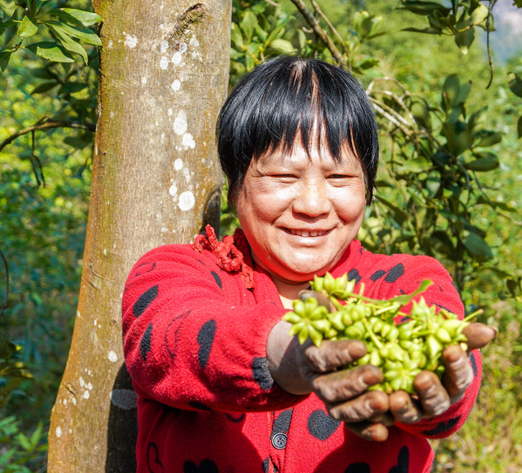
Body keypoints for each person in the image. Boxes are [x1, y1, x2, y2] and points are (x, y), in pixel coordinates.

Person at [122, 56, 496, 473]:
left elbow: (447, 395)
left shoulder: (408, 284)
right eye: (283, 177)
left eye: (339, 178)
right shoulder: (172, 274)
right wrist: (290, 355)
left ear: (368, 188)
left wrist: (446, 385)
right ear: (235, 185)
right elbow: (171, 344)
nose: (313, 205)